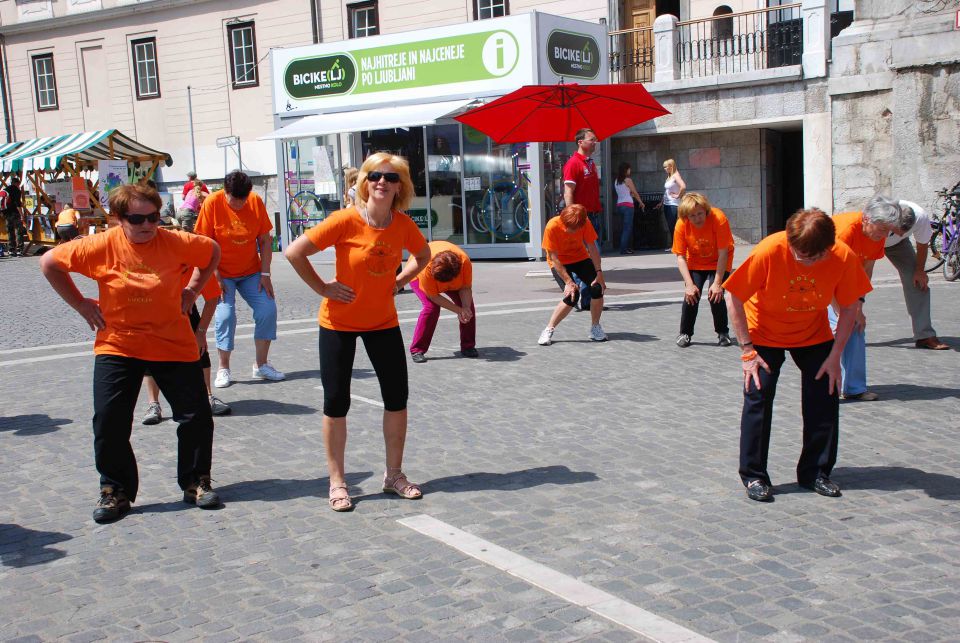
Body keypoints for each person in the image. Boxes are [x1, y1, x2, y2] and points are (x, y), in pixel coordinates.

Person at [39, 183, 223, 522]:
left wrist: (192, 290)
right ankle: (115, 490)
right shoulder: (100, 245)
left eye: (153, 217)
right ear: (119, 218)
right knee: (109, 420)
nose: (147, 225)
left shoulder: (175, 242)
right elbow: (50, 263)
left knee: (195, 417)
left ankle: (196, 481)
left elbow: (211, 251)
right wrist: (81, 304)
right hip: (118, 344)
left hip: (172, 343)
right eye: (137, 219)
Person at [284, 152, 431, 512]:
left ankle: (393, 475)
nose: (382, 182)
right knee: (336, 402)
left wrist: (400, 281)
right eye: (375, 176)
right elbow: (293, 252)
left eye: (391, 177)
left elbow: (423, 256)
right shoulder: (345, 221)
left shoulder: (402, 224)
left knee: (397, 398)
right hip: (339, 324)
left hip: (383, 323)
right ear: (364, 183)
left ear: (401, 187)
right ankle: (337, 481)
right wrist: (322, 288)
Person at [723, 208, 871, 503]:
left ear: (826, 251)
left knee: (825, 394)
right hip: (764, 333)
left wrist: (835, 355)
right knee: (758, 395)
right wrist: (747, 351)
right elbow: (734, 296)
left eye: (808, 257)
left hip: (812, 333)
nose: (799, 260)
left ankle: (815, 472)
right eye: (796, 253)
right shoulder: (770, 249)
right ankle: (754, 475)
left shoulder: (842, 256)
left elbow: (850, 307)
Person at [195, 170, 284, 387]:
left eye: (242, 199)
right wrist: (214, 274)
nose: (238, 204)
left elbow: (264, 241)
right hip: (221, 273)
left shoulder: (254, 202)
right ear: (225, 192)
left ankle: (261, 365)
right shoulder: (212, 204)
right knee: (225, 316)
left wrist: (265, 274)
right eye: (234, 199)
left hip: (251, 271)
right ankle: (223, 368)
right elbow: (204, 243)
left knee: (267, 309)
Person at [142, 237, 232, 424]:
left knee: (200, 352)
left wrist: (201, 332)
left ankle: (207, 396)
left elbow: (213, 298)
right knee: (151, 357)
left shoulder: (197, 268)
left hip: (186, 312)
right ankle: (154, 404)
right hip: (155, 314)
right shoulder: (156, 265)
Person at [828, 196, 902, 401]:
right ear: (867, 219)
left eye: (888, 231)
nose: (884, 235)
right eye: (881, 229)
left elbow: (867, 268)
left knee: (856, 327)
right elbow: (828, 276)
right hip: (820, 283)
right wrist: (842, 310)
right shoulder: (843, 232)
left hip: (847, 284)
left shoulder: (878, 235)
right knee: (829, 333)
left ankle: (854, 387)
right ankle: (826, 388)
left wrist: (858, 303)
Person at [537, 203, 607, 345]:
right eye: (569, 227)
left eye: (575, 228)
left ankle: (595, 327)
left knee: (597, 288)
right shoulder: (552, 226)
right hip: (559, 262)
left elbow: (592, 248)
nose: (570, 231)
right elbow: (553, 257)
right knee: (572, 295)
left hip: (580, 258)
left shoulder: (585, 222)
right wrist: (569, 282)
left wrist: (599, 272)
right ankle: (548, 329)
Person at [884, 199, 949, 350]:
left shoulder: (921, 217)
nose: (900, 232)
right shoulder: (884, 210)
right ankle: (842, 330)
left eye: (904, 231)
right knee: (855, 283)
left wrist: (919, 271)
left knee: (917, 282)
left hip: (897, 245)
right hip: (871, 238)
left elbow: (922, 244)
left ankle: (924, 335)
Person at [673, 192, 735, 348]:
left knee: (716, 295)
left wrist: (718, 283)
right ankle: (685, 333)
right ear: (686, 216)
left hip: (720, 260)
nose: (697, 218)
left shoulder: (718, 218)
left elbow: (723, 253)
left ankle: (723, 332)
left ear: (706, 210)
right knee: (692, 295)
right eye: (692, 216)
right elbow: (680, 257)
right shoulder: (681, 224)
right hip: (695, 261)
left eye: (700, 213)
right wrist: (689, 285)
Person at [407, 240, 477, 363]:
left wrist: (465, 309)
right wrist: (458, 310)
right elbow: (434, 297)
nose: (445, 286)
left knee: (468, 308)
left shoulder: (464, 262)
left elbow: (465, 288)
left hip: (451, 277)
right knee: (431, 308)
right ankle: (417, 349)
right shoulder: (425, 268)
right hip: (417, 275)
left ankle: (468, 346)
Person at [562, 128, 602, 311]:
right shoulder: (573, 164)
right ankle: (584, 299)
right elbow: (568, 192)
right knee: (591, 258)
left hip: (593, 215)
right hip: (582, 218)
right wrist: (573, 216)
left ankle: (581, 297)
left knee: (587, 258)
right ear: (580, 142)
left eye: (595, 139)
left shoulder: (590, 163)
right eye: (591, 139)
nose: (595, 142)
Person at [614, 162, 644, 255]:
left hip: (619, 205)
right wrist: (641, 202)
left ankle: (626, 248)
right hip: (628, 206)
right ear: (626, 170)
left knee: (624, 228)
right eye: (629, 169)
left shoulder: (616, 181)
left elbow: (626, 192)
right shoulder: (628, 180)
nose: (630, 170)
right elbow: (634, 192)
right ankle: (624, 249)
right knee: (627, 228)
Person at [661, 158, 686, 244]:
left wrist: (678, 195)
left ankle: (677, 245)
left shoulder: (676, 175)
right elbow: (666, 191)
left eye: (666, 167)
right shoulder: (669, 176)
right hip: (666, 204)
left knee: (673, 226)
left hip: (673, 204)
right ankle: (674, 245)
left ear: (671, 166)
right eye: (664, 167)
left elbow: (683, 186)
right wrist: (661, 202)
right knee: (670, 226)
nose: (664, 169)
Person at [2, 176, 26, 256]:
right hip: (15, 213)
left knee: (10, 231)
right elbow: (17, 204)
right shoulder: (16, 190)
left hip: (6, 213)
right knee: (18, 231)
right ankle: (19, 250)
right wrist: (22, 214)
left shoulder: (5, 189)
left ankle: (11, 250)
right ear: (16, 183)